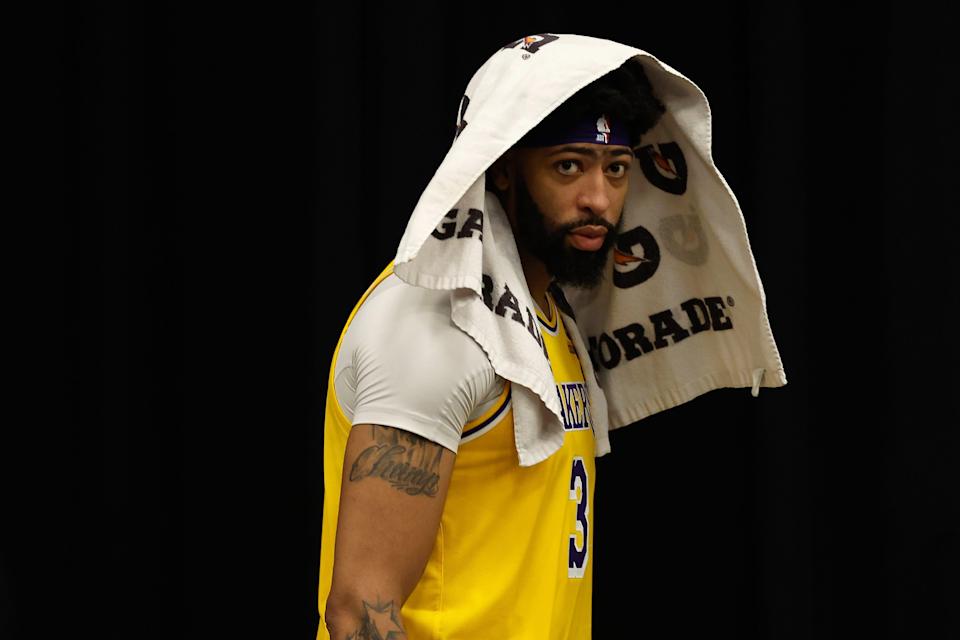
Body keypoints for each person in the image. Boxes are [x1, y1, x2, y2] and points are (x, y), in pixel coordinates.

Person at [317, 33, 786, 640]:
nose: (598, 200)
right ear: (506, 168)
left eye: (615, 169)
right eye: (568, 166)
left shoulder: (542, 317)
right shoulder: (437, 327)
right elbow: (360, 609)